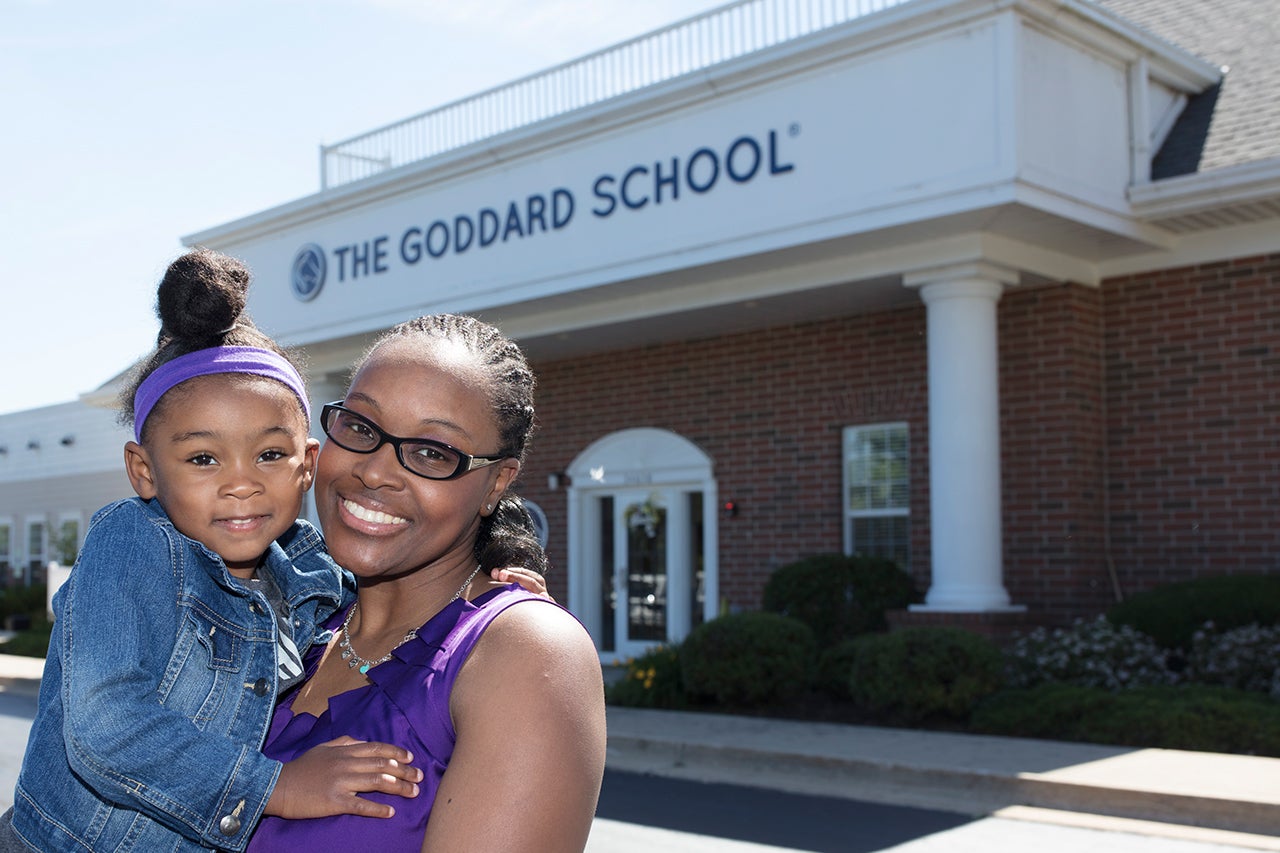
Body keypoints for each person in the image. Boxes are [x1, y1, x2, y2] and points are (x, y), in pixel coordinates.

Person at [2, 250, 549, 852]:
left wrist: (494, 575)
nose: (241, 483)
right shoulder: (136, 544)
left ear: (305, 463)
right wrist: (272, 788)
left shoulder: (307, 569)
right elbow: (104, 724)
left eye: (268, 455)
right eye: (203, 459)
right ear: (144, 471)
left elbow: (420, 603)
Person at [246, 314, 607, 852]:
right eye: (362, 429)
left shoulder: (522, 652)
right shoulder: (289, 615)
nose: (374, 472)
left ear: (497, 482)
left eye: (432, 453)